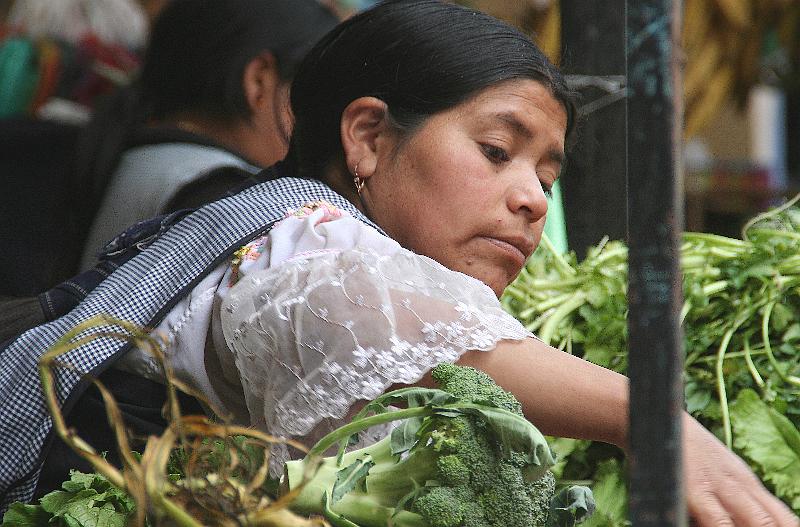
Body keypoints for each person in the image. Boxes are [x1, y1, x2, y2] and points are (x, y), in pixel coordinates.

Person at [0, 1, 796, 525]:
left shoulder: (248, 221)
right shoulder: (303, 241)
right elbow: (382, 311)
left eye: (547, 177)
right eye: (497, 150)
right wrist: (655, 419)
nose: (531, 200)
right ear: (369, 137)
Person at [76, 0, 340, 269]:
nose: (325, 130)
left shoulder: (143, 154)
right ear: (259, 80)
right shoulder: (224, 194)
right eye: (313, 101)